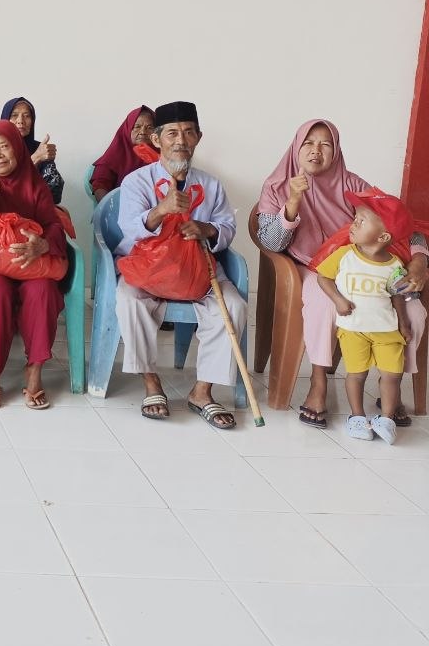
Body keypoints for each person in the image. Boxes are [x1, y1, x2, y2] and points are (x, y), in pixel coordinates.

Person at [256, 120, 428, 427]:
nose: (316, 150)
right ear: (296, 147)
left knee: (414, 311)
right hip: (310, 267)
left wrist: (419, 262)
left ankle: (391, 384)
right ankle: (318, 381)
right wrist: (293, 202)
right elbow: (270, 243)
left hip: (363, 267)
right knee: (324, 303)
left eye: (326, 144)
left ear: (336, 151)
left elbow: (403, 224)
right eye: (309, 143)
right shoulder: (276, 186)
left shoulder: (354, 186)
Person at [114, 101, 243, 429]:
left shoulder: (211, 185)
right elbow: (129, 230)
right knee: (129, 299)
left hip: (200, 270)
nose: (180, 140)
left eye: (188, 132)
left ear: (198, 137)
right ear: (156, 139)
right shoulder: (137, 181)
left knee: (233, 306)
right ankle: (151, 384)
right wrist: (161, 210)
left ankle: (202, 392)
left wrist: (206, 229)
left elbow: (227, 227)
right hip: (148, 269)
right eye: (172, 133)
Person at [0, 120, 67, 410]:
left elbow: (53, 225)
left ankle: (34, 370)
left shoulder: (35, 184)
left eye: (4, 147)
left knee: (43, 291)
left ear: (18, 149)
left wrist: (42, 244)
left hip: (29, 261)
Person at [314, 191, 413, 444]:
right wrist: (338, 300)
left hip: (387, 330)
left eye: (361, 221)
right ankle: (357, 416)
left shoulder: (395, 266)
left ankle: (387, 419)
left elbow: (397, 297)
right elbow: (323, 277)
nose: (353, 224)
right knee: (356, 374)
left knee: (392, 374)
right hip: (353, 329)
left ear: (383, 237)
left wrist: (403, 323)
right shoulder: (344, 255)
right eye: (355, 219)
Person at [1, 96, 64, 204]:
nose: (21, 121)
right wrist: (35, 158)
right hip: (6, 209)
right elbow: (4, 191)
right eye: (14, 115)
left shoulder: (40, 148)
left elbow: (55, 192)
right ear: (5, 119)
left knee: (62, 213)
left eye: (27, 116)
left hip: (39, 207)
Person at [90, 105, 156, 202]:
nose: (142, 132)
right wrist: (112, 207)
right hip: (123, 205)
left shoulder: (163, 153)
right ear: (127, 129)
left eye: (149, 127)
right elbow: (100, 184)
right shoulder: (115, 154)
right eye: (137, 127)